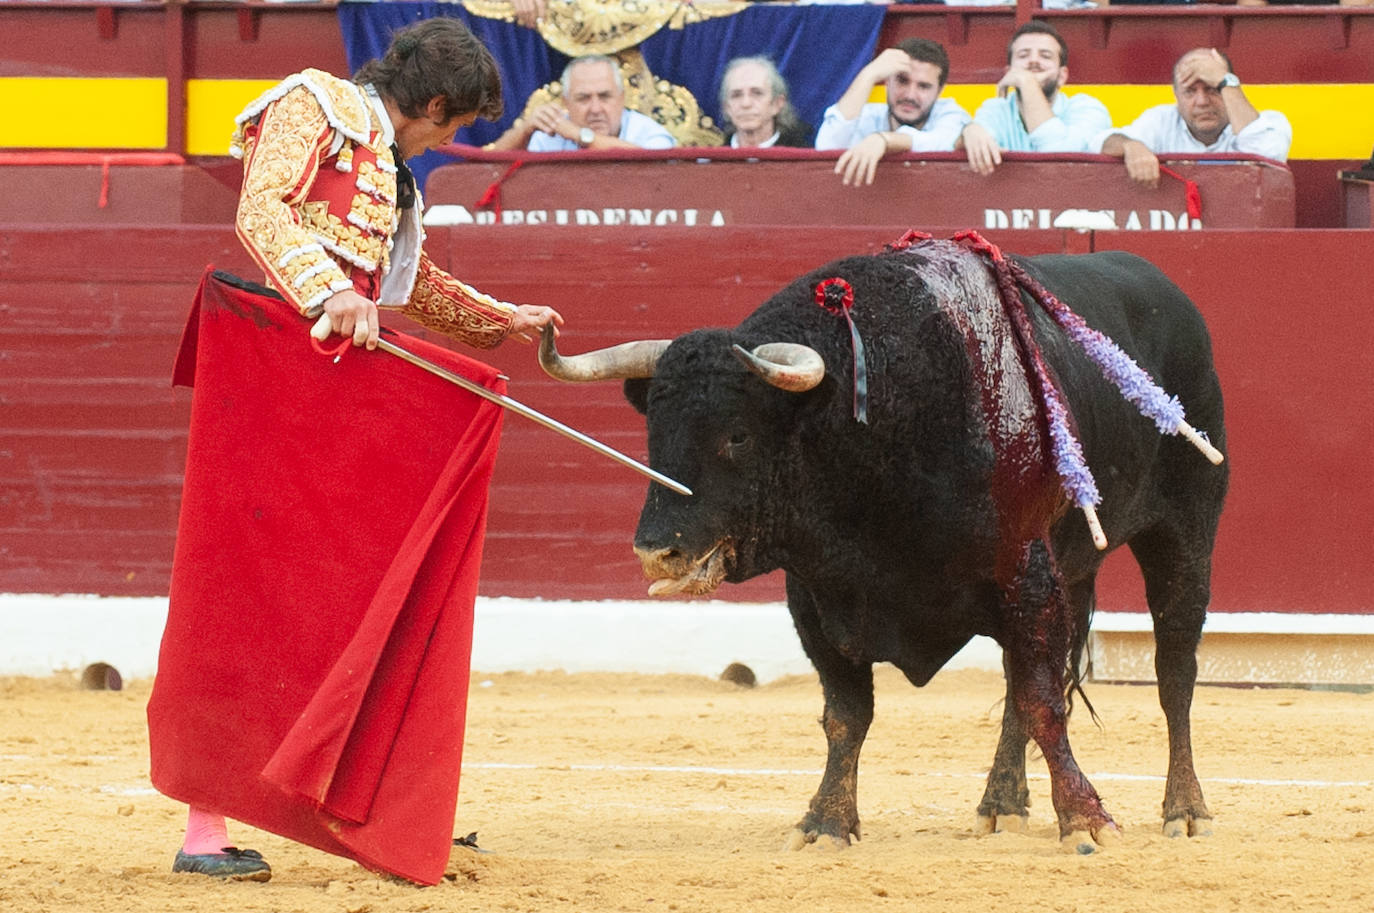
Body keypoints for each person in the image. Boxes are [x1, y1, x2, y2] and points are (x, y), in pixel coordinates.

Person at [146, 17, 563, 885]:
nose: (455, 140)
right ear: (436, 103)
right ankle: (205, 826)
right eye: (456, 125)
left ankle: (362, 795)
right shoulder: (316, 104)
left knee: (343, 590)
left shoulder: (395, 172)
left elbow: (411, 287)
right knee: (245, 592)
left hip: (334, 389)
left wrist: (503, 322)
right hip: (268, 379)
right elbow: (260, 208)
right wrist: (330, 289)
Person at [1095, 48, 1294, 188]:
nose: (1202, 101)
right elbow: (1099, 142)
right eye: (1190, 91)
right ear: (1176, 96)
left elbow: (1266, 152)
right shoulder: (1161, 120)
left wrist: (1225, 79)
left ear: (1229, 88)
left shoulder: (1271, 122)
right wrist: (1131, 146)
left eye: (1212, 88)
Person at [957, 21, 1110, 176]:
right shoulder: (995, 109)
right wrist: (968, 131)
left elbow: (1059, 162)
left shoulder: (1087, 109)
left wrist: (1027, 82)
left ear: (1062, 76)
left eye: (1045, 56)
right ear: (1009, 73)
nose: (1033, 61)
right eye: (1023, 55)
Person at [814, 37, 971, 186]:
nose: (910, 95)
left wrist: (885, 141)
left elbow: (944, 142)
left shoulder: (951, 114)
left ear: (940, 91)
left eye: (923, 86)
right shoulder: (869, 115)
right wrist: (868, 75)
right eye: (902, 81)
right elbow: (826, 147)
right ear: (887, 81)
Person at [486, 54, 676, 151]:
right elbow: (486, 169)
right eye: (583, 98)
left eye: (605, 96)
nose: (595, 109)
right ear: (565, 102)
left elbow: (654, 162)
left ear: (622, 98)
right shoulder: (553, 133)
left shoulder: (648, 132)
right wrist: (524, 131)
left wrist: (579, 135)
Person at [717, 56, 814, 149]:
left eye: (757, 93)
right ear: (727, 107)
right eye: (736, 95)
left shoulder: (804, 161)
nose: (746, 104)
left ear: (777, 103)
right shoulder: (712, 162)